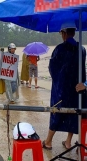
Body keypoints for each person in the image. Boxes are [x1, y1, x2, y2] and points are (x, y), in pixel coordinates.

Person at [42, 21, 86, 150]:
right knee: (74, 113)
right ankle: (68, 141)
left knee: (56, 112)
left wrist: (59, 82)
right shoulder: (82, 49)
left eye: (61, 33)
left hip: (61, 90)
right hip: (78, 89)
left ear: (64, 33)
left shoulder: (60, 49)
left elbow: (52, 68)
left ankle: (48, 141)